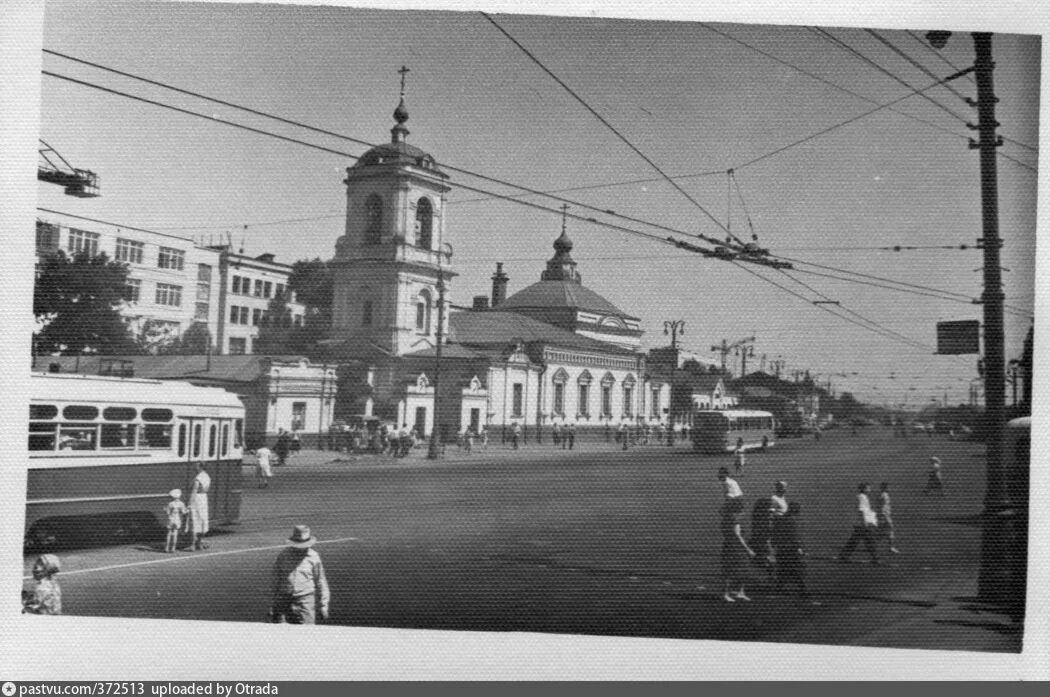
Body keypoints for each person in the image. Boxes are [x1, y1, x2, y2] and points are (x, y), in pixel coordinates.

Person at [269, 525, 331, 625]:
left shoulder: (313, 557)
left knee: (306, 633)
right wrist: (273, 604)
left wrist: (324, 605)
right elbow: (275, 580)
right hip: (284, 599)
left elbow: (321, 581)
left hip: (305, 600)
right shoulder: (283, 556)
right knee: (281, 633)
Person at [720, 493, 756, 602]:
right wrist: (748, 549)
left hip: (728, 545)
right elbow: (738, 535)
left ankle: (737, 592)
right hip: (736, 548)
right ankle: (730, 593)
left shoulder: (726, 517)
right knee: (735, 569)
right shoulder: (735, 519)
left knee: (731, 569)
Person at [771, 501, 808, 599]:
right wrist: (799, 548)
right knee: (795, 569)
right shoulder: (792, 521)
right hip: (791, 550)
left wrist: (774, 544)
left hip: (781, 549)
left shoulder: (781, 519)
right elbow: (794, 537)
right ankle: (802, 589)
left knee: (783, 569)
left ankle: (779, 588)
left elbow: (775, 533)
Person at [838, 483, 880, 564]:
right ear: (864, 489)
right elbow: (861, 510)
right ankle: (875, 558)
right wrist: (864, 522)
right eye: (868, 488)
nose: (870, 489)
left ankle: (843, 556)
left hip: (860, 524)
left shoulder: (862, 497)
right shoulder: (862, 497)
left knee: (854, 541)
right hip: (862, 524)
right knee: (869, 541)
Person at [188, 462, 211, 551]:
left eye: (196, 466)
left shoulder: (198, 478)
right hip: (204, 498)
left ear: (200, 467)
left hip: (197, 499)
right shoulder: (207, 476)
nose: (194, 467)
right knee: (202, 519)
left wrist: (189, 503)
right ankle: (199, 542)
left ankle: (192, 544)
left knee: (194, 520)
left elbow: (194, 491)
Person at [877, 482, 900, 554]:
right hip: (884, 516)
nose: (889, 488)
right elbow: (882, 508)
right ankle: (891, 548)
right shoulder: (884, 495)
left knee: (884, 533)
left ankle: (890, 547)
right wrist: (887, 518)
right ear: (885, 488)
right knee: (889, 531)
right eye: (888, 487)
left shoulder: (882, 495)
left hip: (883, 516)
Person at [164, 488, 188, 553]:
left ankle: (166, 547)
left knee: (169, 533)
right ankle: (173, 548)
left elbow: (167, 513)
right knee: (175, 534)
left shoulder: (170, 504)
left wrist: (165, 509)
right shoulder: (181, 504)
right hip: (177, 519)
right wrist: (188, 510)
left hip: (170, 519)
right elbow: (183, 512)